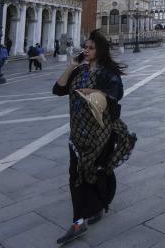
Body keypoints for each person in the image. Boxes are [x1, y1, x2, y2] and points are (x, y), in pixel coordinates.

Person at [53, 30, 136, 245]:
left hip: (101, 133)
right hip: (78, 133)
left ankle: (92, 210)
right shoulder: (78, 70)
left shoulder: (108, 72)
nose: (86, 51)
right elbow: (58, 89)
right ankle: (80, 220)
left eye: (91, 48)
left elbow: (116, 95)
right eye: (85, 47)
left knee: (96, 172)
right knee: (76, 175)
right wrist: (71, 65)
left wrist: (93, 92)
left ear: (100, 50)